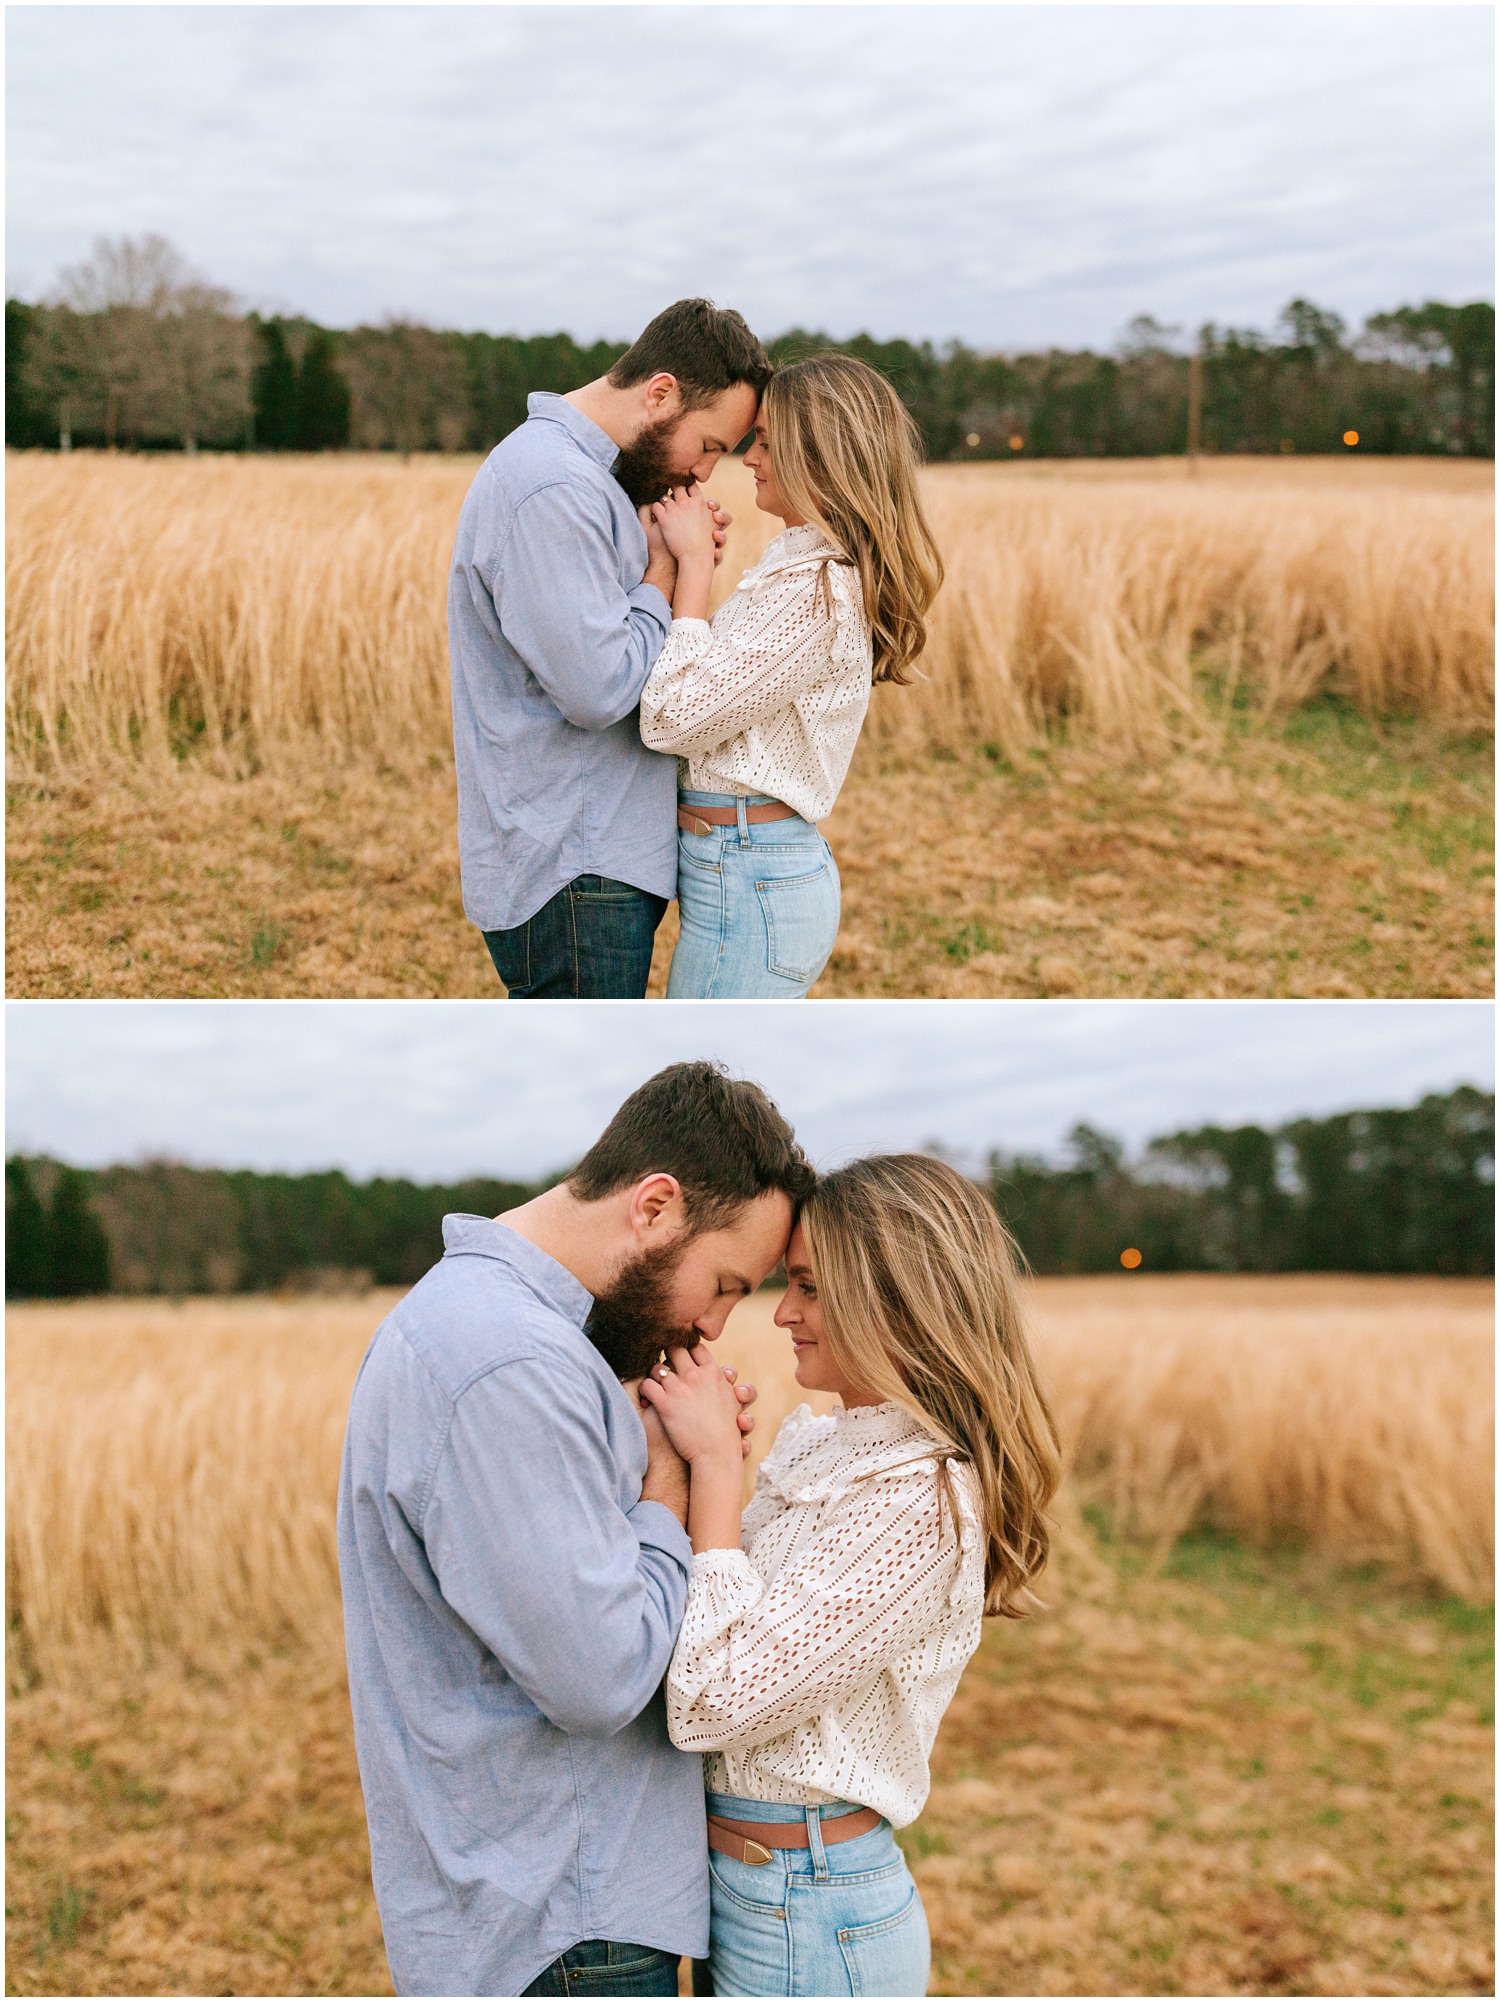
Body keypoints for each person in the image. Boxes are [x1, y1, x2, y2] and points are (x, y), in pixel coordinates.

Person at [337, 1062, 815, 1997]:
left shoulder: (513, 1338)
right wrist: (674, 1480)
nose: (714, 1327)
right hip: (565, 1925)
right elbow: (599, 1677)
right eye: (723, 1284)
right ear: (654, 1208)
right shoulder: (509, 1364)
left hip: (548, 1910)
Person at [640, 1153, 1062, 1998]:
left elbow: (713, 1698)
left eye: (811, 1287)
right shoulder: (826, 1444)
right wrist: (681, 1460)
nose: (784, 1313)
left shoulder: (920, 1499)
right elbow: (719, 1620)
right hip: (755, 1884)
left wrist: (720, 1469)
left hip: (809, 1903)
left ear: (896, 1297)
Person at [448, 301, 770, 999]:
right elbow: (598, 691)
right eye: (710, 446)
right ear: (660, 394)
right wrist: (664, 571)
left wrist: (674, 554)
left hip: (588, 860)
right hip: (574, 866)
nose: (707, 473)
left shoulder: (593, 482)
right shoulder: (554, 488)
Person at [637, 354, 944, 998]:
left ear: (819, 457)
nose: (749, 457)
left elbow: (672, 719)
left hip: (751, 875)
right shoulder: (796, 564)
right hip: (743, 865)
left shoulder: (816, 589)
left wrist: (694, 568)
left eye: (768, 442)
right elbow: (704, 684)